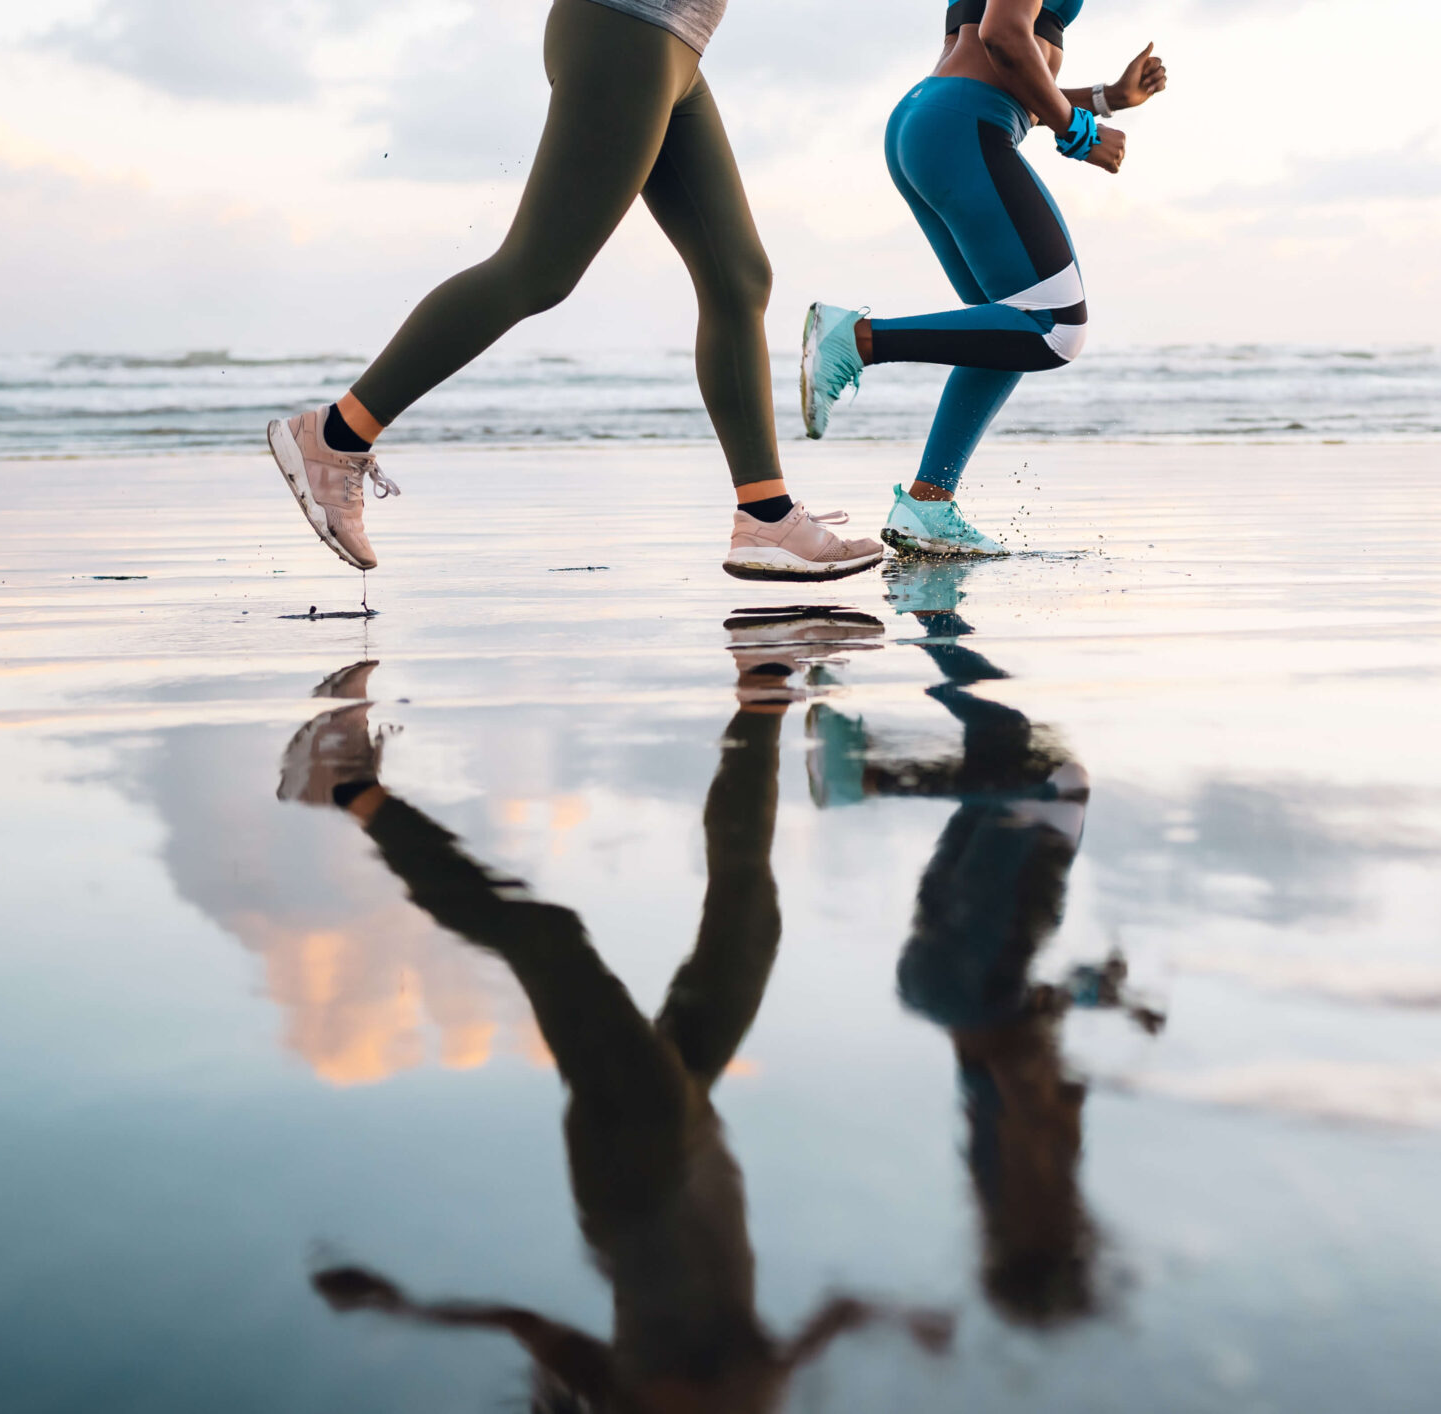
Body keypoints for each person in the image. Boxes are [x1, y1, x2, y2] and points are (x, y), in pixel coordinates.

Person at [283, 614, 950, 1412]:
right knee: (748, 918)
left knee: (549, 941)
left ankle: (350, 789)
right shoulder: (754, 1394)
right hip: (692, 1133)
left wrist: (403, 1306)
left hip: (634, 1169)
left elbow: (523, 1328)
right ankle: (764, 689)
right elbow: (830, 1320)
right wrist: (896, 1317)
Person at [264, 0, 884, 583]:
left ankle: (766, 516)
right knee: (537, 269)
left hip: (675, 46)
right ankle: (337, 435)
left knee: (739, 277)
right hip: (625, 30)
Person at [807, 566, 1163, 1324]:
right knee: (1006, 752)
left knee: (1051, 779)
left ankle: (868, 772)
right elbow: (1024, 1036)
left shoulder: (1038, 1181)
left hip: (981, 974)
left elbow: (1016, 1061)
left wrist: (1059, 1057)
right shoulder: (1003, 1188)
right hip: (942, 985)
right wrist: (1099, 993)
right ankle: (930, 611)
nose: (1096, 1249)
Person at [796, 0, 1170, 556]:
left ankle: (928, 505)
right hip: (964, 125)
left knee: (1004, 337)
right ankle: (856, 341)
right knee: (1055, 327)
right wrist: (1081, 134)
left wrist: (1106, 100)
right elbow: (1003, 35)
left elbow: (1008, 64)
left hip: (939, 121)